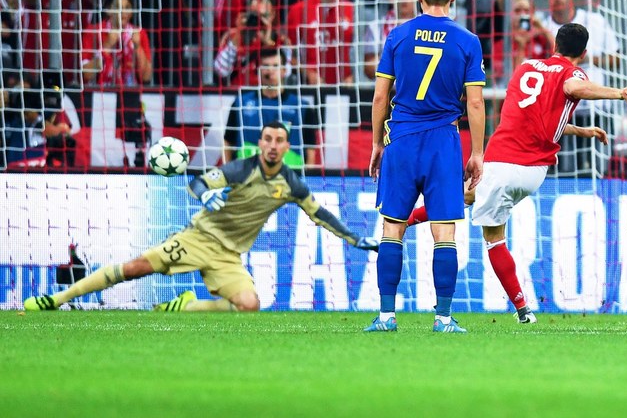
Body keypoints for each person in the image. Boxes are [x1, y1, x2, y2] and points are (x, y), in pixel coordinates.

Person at [406, 24, 627, 323]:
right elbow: (555, 107)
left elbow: (571, 89)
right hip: (531, 172)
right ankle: (523, 311)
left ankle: (403, 223)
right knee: (467, 198)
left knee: (480, 223)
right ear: (583, 53)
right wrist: (585, 128)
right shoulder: (572, 72)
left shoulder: (525, 68)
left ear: (555, 43)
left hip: (503, 160)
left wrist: (618, 93)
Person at [23, 121, 379, 312]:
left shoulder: (291, 184)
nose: (272, 145)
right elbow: (198, 182)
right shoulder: (241, 169)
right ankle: (57, 300)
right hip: (198, 239)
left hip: (228, 256)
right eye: (267, 139)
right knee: (134, 269)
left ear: (287, 147)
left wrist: (355, 239)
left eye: (279, 140)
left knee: (249, 305)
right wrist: (205, 192)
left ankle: (188, 307)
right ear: (261, 143)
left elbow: (322, 216)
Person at [365, 0, 485, 333]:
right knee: (444, 231)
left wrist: (375, 143)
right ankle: (444, 318)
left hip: (401, 139)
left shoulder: (398, 36)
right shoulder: (467, 41)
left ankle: (386, 317)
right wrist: (477, 152)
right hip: (443, 142)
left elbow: (381, 95)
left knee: (392, 228)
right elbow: (476, 103)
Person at [538, 0, 620, 176]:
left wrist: (585, 58)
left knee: (594, 170)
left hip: (595, 108)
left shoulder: (595, 21)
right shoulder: (542, 27)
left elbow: (616, 59)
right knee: (560, 169)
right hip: (558, 111)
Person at [223, 47, 316, 167]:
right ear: (259, 70)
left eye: (275, 66)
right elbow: (228, 142)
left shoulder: (302, 107)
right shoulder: (241, 103)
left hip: (288, 180)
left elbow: (310, 152)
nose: (270, 70)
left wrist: (304, 182)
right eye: (266, 66)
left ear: (283, 70)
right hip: (247, 178)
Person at [285, 0, 354, 85]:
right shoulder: (298, 10)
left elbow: (360, 51)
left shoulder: (351, 9)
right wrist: (308, 73)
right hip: (313, 86)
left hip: (346, 85)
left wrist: (353, 75)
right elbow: (289, 54)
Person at [81, 0, 153, 86]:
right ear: (108, 10)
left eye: (127, 7)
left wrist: (137, 47)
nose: (123, 11)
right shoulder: (93, 31)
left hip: (130, 93)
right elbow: (87, 74)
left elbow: (146, 77)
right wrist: (106, 47)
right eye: (118, 7)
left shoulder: (139, 33)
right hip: (101, 94)